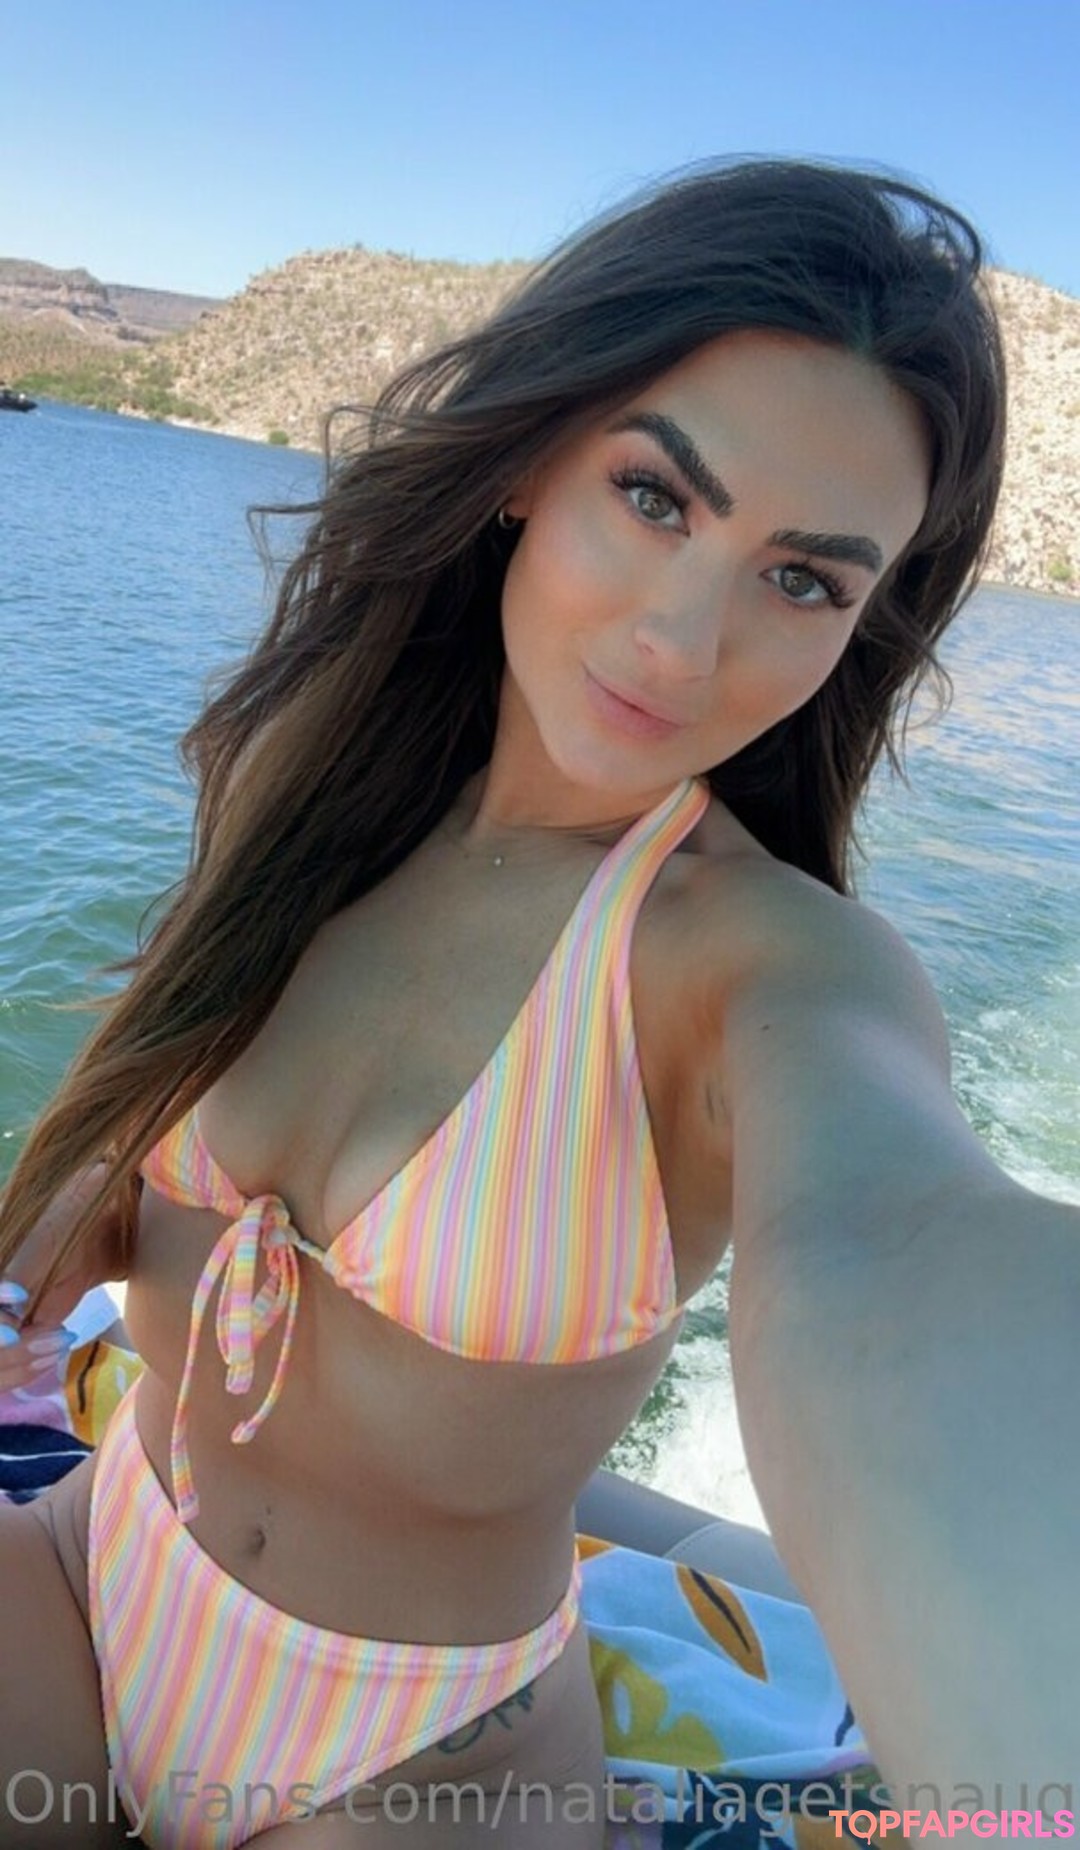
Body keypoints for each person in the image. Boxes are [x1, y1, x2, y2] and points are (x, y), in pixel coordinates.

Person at [0, 156, 1074, 1848]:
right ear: (527, 462)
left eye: (805, 579)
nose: (681, 638)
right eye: (655, 496)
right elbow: (168, 1104)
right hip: (87, 1555)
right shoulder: (316, 781)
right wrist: (100, 1200)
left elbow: (899, 1257)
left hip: (410, 1762)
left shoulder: (766, 971)